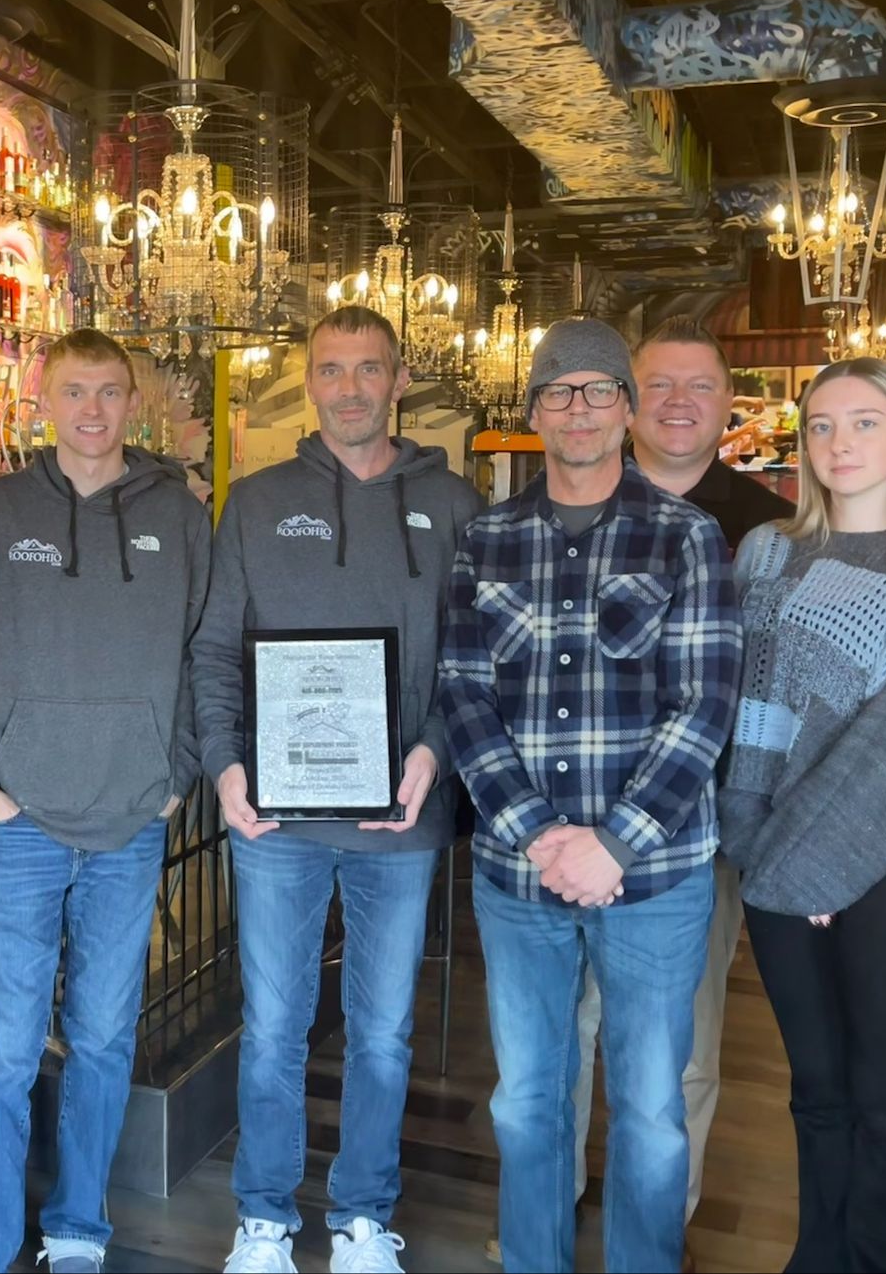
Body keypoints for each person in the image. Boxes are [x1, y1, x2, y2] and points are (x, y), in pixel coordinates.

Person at [441, 317, 740, 1274]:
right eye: (558, 392)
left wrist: (612, 843)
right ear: (532, 412)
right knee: (527, 1098)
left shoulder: (688, 537)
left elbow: (705, 705)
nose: (578, 408)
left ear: (628, 408)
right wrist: (539, 835)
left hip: (655, 878)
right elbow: (462, 697)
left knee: (651, 1109)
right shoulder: (483, 539)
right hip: (516, 877)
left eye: (598, 390)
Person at [192, 306, 482, 1274]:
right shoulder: (258, 501)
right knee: (272, 1026)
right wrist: (226, 767)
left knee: (383, 1033)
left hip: (400, 815)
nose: (350, 387)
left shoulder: (454, 504)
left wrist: (432, 753)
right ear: (308, 381)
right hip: (275, 817)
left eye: (370, 369)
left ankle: (362, 1215)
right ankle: (264, 1219)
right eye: (331, 369)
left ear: (400, 380)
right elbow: (213, 650)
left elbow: (475, 661)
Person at [520, 318, 794, 1262]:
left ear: (728, 404)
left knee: (679, 1048)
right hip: (560, 827)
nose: (680, 401)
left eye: (701, 386)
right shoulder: (543, 510)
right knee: (563, 1034)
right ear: (630, 400)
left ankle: (658, 1219)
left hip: (700, 828)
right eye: (659, 383)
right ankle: (549, 1202)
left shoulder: (771, 526)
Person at [0, 329, 211, 1274]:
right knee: (7, 1053)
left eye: (108, 392)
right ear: (41, 400)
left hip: (131, 821)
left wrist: (174, 778)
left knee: (101, 1039)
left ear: (133, 403)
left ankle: (77, 1229)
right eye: (73, 392)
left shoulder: (178, 515)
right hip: (18, 824)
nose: (91, 409)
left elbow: (201, 654)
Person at [719, 357, 886, 1272]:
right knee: (817, 1091)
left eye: (864, 422)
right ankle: (819, 1256)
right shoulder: (768, 554)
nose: (840, 443)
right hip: (773, 864)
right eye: (822, 425)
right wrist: (764, 851)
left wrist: (819, 868)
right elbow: (746, 720)